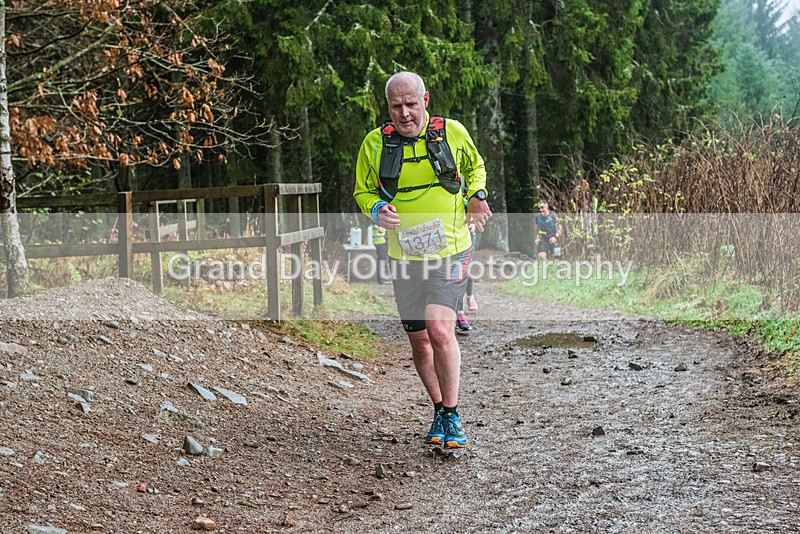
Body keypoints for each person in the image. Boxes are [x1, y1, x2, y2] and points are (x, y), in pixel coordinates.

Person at [354, 71, 491, 448]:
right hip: (403, 256)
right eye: (396, 106)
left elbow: (476, 166)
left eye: (411, 104)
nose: (405, 113)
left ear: (425, 100)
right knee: (419, 343)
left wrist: (477, 194)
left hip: (450, 250)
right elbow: (362, 191)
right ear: (388, 107)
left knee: (439, 328)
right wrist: (377, 207)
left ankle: (453, 412)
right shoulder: (374, 144)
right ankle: (440, 410)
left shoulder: (452, 132)